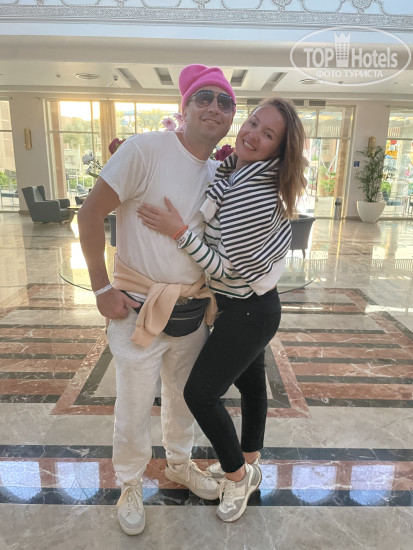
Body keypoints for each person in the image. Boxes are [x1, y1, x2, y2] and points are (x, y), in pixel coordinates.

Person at [77, 64, 236, 536]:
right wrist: (101, 289)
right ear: (184, 106)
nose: (214, 107)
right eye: (204, 97)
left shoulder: (218, 173)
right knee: (133, 406)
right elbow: (89, 215)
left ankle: (180, 465)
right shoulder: (144, 150)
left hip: (192, 312)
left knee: (184, 401)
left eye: (225, 101)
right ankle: (130, 483)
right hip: (137, 309)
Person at [138, 97, 307, 522]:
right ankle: (248, 463)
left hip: (249, 310)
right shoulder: (233, 173)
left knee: (200, 394)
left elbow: (224, 267)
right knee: (251, 387)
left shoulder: (252, 193)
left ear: (278, 149)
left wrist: (179, 232)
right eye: (253, 123)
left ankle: (236, 477)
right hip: (248, 307)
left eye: (268, 134)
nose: (252, 135)